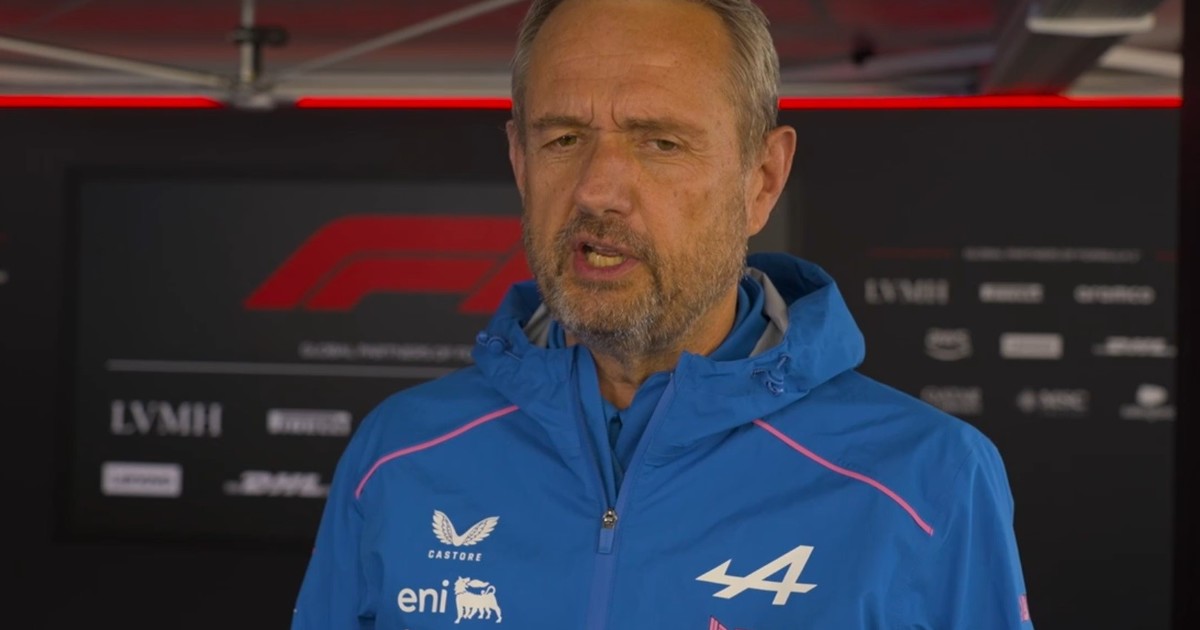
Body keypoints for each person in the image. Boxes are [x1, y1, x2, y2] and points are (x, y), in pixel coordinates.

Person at [291, 0, 1035, 627]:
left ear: (762, 178)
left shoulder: (926, 480)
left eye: (661, 142)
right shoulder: (398, 455)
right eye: (564, 138)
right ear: (520, 162)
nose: (598, 189)